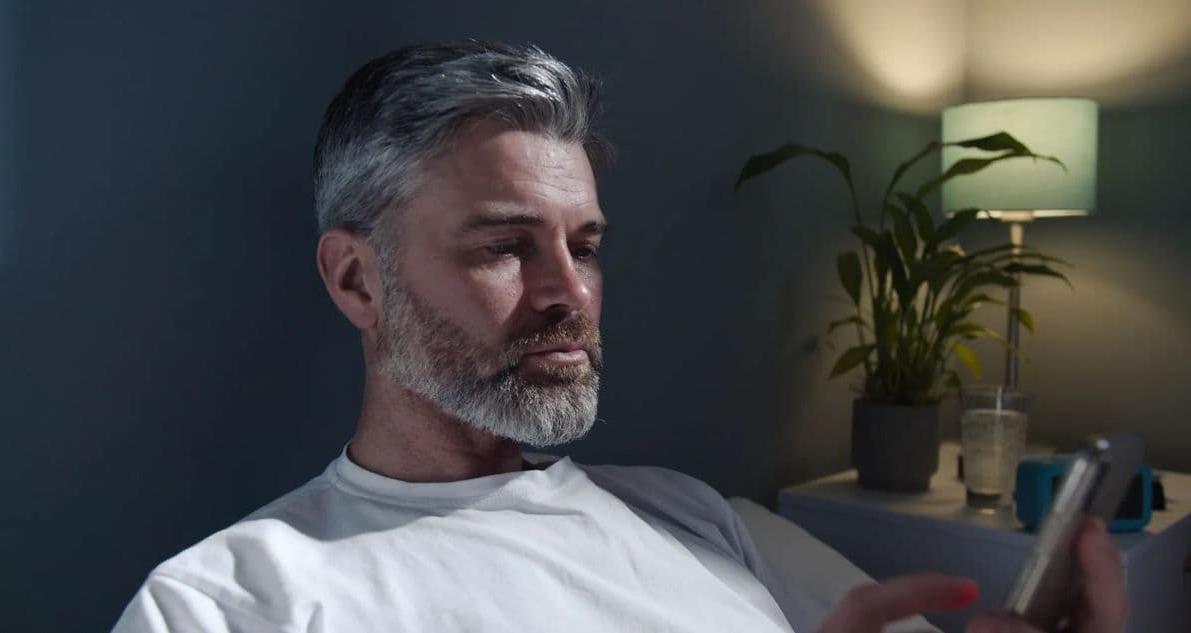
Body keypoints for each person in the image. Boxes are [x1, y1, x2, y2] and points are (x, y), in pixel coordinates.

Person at [112, 40, 1128, 633]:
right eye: (506, 247)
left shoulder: (692, 517)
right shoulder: (227, 603)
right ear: (354, 279)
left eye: (586, 246)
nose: (571, 294)